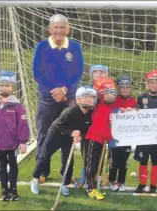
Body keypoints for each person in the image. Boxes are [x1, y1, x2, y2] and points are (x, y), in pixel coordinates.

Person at [32, 14, 84, 181]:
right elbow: (37, 74)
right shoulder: (41, 46)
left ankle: (66, 174)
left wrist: (64, 89)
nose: (59, 30)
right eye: (56, 27)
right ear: (50, 29)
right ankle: (41, 171)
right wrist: (53, 90)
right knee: (43, 134)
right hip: (47, 98)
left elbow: (78, 73)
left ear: (68, 29)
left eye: (62, 27)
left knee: (68, 135)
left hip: (68, 99)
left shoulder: (75, 47)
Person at [30, 86, 97, 196]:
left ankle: (65, 184)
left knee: (68, 161)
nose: (88, 100)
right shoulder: (71, 110)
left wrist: (81, 136)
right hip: (56, 134)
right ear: (79, 98)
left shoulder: (91, 113)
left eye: (91, 98)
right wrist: (71, 132)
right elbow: (58, 125)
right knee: (44, 156)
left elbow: (88, 130)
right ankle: (35, 178)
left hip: (69, 138)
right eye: (85, 97)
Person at [0, 70, 29, 201]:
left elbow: (23, 124)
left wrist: (23, 141)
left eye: (7, 85)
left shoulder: (17, 105)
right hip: (0, 143)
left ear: (12, 87)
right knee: (2, 166)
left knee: (13, 166)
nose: (4, 88)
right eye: (2, 85)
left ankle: (13, 190)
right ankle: (4, 190)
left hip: (13, 144)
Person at [134, 70, 157, 194]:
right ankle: (142, 184)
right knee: (143, 160)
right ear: (147, 83)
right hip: (144, 136)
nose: (154, 85)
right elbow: (135, 114)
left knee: (156, 161)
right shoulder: (141, 97)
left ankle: (153, 185)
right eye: (151, 82)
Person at [85, 78, 117, 200]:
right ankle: (91, 188)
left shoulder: (108, 106)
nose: (111, 95)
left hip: (101, 141)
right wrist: (108, 136)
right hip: (94, 139)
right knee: (91, 164)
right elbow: (100, 127)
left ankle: (94, 186)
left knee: (98, 163)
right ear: (101, 94)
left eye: (112, 92)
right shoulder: (100, 108)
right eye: (108, 92)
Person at [108, 75, 137, 192]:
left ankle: (121, 181)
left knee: (124, 161)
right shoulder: (113, 100)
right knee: (113, 161)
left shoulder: (134, 101)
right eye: (122, 87)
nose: (125, 90)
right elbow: (109, 112)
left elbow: (138, 116)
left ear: (130, 88)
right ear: (118, 88)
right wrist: (118, 110)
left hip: (127, 138)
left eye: (127, 87)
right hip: (114, 136)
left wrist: (134, 111)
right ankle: (112, 180)